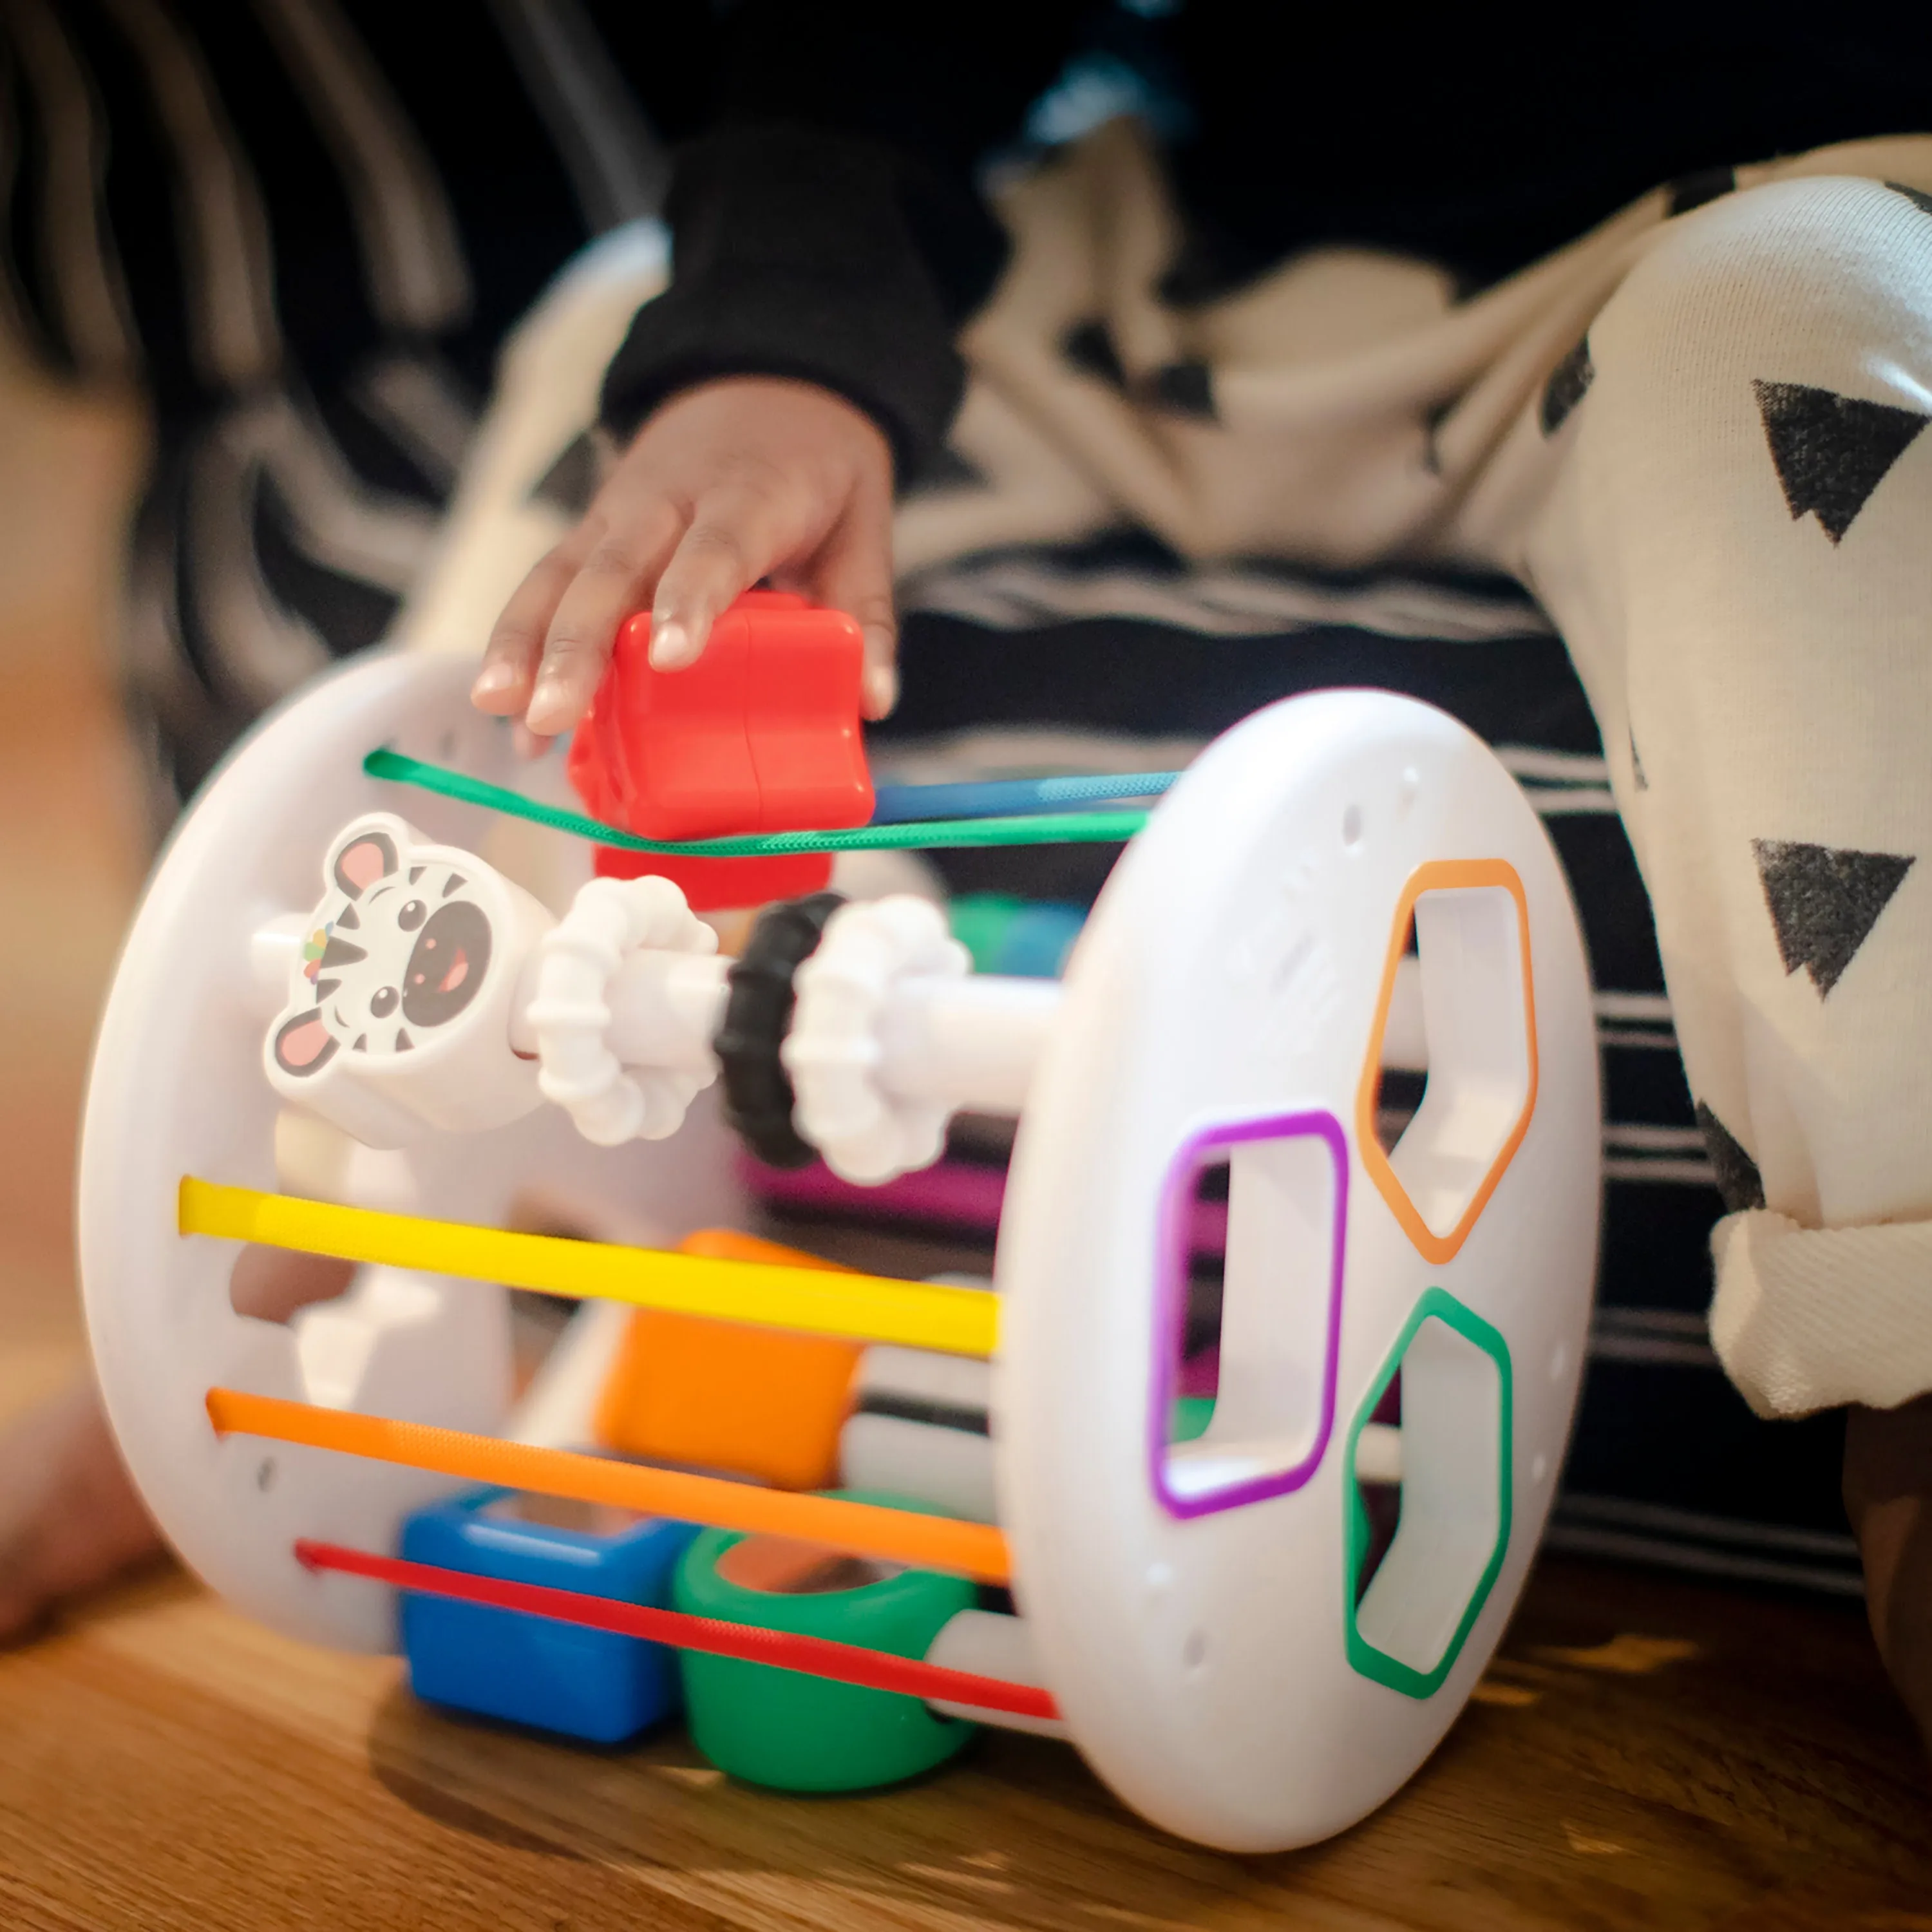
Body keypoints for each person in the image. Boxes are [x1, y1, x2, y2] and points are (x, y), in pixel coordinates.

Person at [3, 0, 1928, 1748]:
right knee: (619, 324)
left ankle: (1906, 1370)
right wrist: (781, 336)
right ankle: (321, 1241)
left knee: (1798, 347)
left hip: (1717, 214)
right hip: (1179, 254)